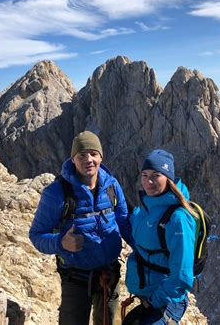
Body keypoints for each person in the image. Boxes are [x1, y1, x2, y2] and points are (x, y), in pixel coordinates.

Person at [29, 131, 133, 325]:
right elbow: (36, 235)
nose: (89, 160)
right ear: (73, 159)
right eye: (82, 155)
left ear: (101, 156)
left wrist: (146, 254)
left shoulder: (112, 186)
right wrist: (61, 242)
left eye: (93, 153)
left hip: (108, 275)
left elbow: (124, 223)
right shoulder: (57, 193)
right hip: (75, 278)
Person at [123, 149, 196, 324]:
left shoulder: (178, 219)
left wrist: (154, 301)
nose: (149, 181)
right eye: (145, 175)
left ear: (168, 178)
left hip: (168, 299)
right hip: (149, 296)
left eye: (156, 175)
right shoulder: (144, 210)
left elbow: (182, 276)